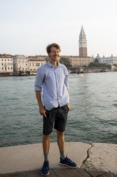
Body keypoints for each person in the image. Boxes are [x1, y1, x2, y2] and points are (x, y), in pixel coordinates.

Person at [35, 43, 77, 176]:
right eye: (54, 52)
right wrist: (41, 106)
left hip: (63, 106)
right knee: (46, 135)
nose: (56, 54)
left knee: (61, 133)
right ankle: (46, 162)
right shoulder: (42, 70)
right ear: (49, 54)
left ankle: (63, 158)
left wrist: (68, 102)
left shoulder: (64, 68)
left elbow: (66, 86)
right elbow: (37, 89)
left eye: (58, 52)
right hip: (49, 108)